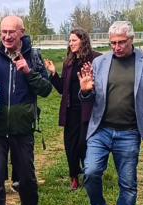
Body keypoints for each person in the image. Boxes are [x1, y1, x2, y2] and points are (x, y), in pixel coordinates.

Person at [79, 21, 143, 205]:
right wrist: (85, 91)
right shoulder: (100, 62)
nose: (117, 47)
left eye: (121, 42)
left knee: (127, 182)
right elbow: (88, 97)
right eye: (113, 43)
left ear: (132, 40)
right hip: (101, 129)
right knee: (90, 172)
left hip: (129, 132)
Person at [0, 15, 52, 205]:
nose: (6, 36)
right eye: (3, 32)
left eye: (11, 32)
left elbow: (46, 89)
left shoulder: (33, 57)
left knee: (26, 177)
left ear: (21, 32)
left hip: (23, 129)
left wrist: (28, 72)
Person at [46, 28, 100, 191]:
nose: (71, 44)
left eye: (74, 40)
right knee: (70, 145)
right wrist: (54, 74)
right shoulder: (68, 63)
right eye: (69, 41)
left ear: (83, 41)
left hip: (88, 110)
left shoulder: (96, 59)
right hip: (71, 111)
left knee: (83, 144)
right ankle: (74, 177)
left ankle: (87, 174)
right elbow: (63, 89)